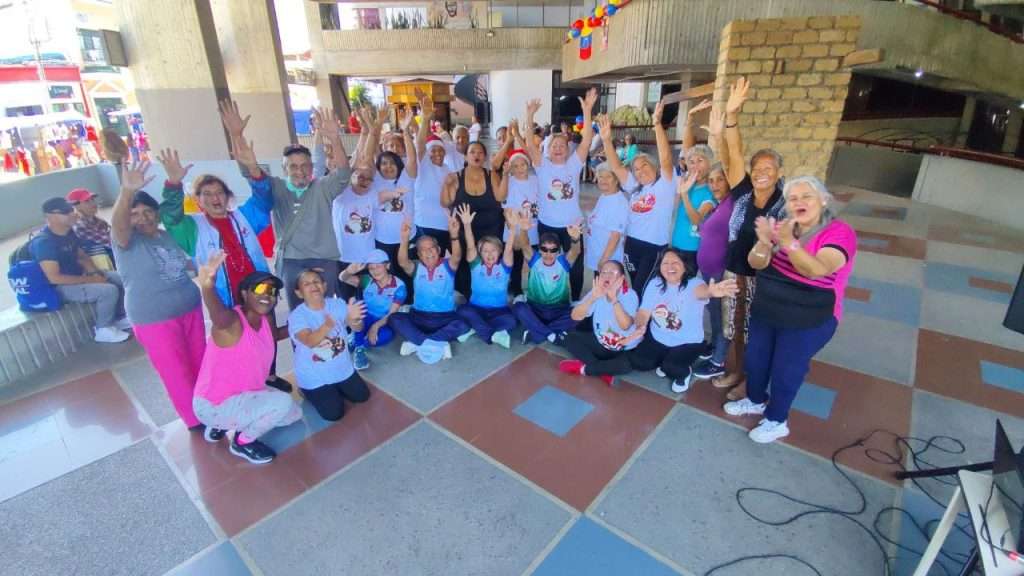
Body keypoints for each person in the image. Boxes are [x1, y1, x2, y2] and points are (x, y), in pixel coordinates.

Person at [723, 177, 857, 444]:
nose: (799, 202)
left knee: (786, 370)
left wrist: (788, 243)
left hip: (810, 317)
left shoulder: (839, 232)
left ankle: (776, 420)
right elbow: (756, 263)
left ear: (824, 200)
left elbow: (816, 270)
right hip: (768, 310)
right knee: (757, 359)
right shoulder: (783, 227)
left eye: (806, 196)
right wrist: (764, 242)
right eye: (793, 198)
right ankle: (755, 400)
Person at [219, 101, 354, 309]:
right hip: (292, 261)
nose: (300, 171)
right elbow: (253, 175)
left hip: (324, 259)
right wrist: (237, 136)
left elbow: (344, 174)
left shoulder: (322, 187)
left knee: (326, 309)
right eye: (293, 166)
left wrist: (335, 139)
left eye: (305, 166)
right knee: (298, 312)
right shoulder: (276, 186)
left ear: (312, 167)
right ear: (284, 169)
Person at [111, 160, 205, 430]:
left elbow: (186, 263)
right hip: (155, 319)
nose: (143, 218)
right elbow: (119, 226)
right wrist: (126, 192)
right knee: (176, 371)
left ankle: (210, 408)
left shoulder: (166, 236)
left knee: (201, 362)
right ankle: (195, 421)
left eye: (148, 211)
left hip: (190, 310)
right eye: (134, 214)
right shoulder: (125, 242)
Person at [192, 254, 302, 464]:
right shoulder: (233, 322)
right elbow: (219, 318)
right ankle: (242, 442)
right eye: (260, 289)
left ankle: (223, 425)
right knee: (282, 403)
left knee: (293, 414)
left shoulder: (264, 320)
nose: (267, 295)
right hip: (215, 404)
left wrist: (309, 321)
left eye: (272, 291)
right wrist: (207, 287)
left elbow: (276, 335)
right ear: (245, 293)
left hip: (244, 394)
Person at [719, 77, 786, 402]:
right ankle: (736, 371)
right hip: (735, 271)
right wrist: (731, 116)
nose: (761, 172)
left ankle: (752, 380)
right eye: (757, 167)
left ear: (779, 173)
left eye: (769, 168)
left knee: (757, 331)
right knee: (734, 329)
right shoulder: (743, 192)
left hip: (767, 278)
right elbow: (735, 152)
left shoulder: (784, 202)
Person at [627, 248, 738, 394]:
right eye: (665, 263)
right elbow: (643, 312)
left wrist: (711, 292)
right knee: (640, 362)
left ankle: (684, 373)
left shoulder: (694, 284)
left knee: (672, 368)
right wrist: (640, 326)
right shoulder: (655, 283)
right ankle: (665, 358)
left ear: (685, 266)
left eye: (675, 263)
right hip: (658, 337)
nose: (670, 267)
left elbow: (703, 291)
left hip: (687, 342)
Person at [525, 87, 598, 300]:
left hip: (572, 225)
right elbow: (530, 143)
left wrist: (587, 111)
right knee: (544, 262)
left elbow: (586, 140)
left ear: (568, 149)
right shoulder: (542, 165)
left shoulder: (574, 164)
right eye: (554, 146)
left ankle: (575, 299)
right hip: (547, 224)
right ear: (547, 150)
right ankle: (542, 294)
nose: (557, 148)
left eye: (562, 146)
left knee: (575, 264)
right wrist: (530, 115)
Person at [599, 101, 677, 290]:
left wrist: (657, 125)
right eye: (636, 169)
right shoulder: (635, 188)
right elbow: (616, 166)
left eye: (645, 165)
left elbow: (666, 158)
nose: (641, 171)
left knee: (643, 288)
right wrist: (606, 140)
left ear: (654, 167)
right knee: (634, 286)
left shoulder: (665, 184)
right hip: (632, 244)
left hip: (653, 246)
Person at [31, 197, 130, 343]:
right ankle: (103, 329)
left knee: (122, 278)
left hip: (80, 277)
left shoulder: (68, 233)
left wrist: (94, 273)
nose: (73, 213)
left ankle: (119, 318)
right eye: (66, 211)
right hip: (59, 287)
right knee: (108, 290)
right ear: (49, 216)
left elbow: (82, 256)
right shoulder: (44, 242)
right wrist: (91, 280)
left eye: (71, 209)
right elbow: (54, 278)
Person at [692, 109, 743, 381]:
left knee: (724, 317)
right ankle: (714, 348)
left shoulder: (734, 201)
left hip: (723, 273)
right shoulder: (718, 206)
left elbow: (733, 161)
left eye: (719, 179)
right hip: (709, 272)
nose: (714, 184)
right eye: (711, 181)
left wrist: (719, 135)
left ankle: (719, 361)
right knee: (713, 313)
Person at [288, 268, 371, 421]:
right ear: (299, 293)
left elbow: (357, 328)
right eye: (306, 284)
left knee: (363, 396)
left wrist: (355, 320)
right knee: (334, 414)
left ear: (325, 286)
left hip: (342, 369)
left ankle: (334, 390)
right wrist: (329, 324)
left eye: (316, 281)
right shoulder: (297, 316)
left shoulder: (337, 303)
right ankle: (306, 391)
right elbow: (310, 341)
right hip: (314, 377)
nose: (313, 285)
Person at [389, 215, 469, 361]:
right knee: (395, 319)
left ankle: (417, 342)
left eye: (432, 248)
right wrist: (404, 239)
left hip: (445, 317)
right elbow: (402, 262)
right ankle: (438, 342)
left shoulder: (448, 265)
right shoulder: (416, 267)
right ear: (419, 255)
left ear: (438, 250)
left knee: (464, 324)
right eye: (423, 250)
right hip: (419, 316)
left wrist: (454, 235)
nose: (429, 252)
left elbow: (457, 256)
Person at [559, 260, 639, 387]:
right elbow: (575, 316)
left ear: (621, 278)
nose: (607, 275)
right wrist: (593, 298)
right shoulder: (597, 292)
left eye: (612, 272)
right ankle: (602, 371)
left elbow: (625, 325)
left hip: (622, 349)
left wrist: (614, 299)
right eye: (604, 272)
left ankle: (585, 369)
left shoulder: (630, 295)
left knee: (626, 365)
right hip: (601, 344)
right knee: (569, 338)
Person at [443, 140, 506, 298]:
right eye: (472, 152)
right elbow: (445, 202)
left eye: (480, 152)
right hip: (465, 231)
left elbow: (501, 196)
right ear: (465, 156)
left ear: (485, 157)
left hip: (491, 230)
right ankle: (466, 296)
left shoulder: (491, 175)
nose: (476, 155)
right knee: (465, 265)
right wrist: (446, 185)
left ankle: (491, 294)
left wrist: (505, 175)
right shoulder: (456, 177)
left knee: (491, 263)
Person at [454, 206, 518, 348]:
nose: (489, 254)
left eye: (493, 250)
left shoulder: (504, 266)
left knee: (511, 321)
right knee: (462, 311)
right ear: (480, 253)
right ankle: (492, 334)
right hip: (476, 309)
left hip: (499, 311)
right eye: (485, 251)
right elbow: (470, 246)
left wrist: (513, 228)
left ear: (499, 251)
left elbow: (509, 248)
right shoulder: (476, 265)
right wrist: (466, 225)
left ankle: (476, 327)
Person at [513, 226, 581, 345]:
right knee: (519, 308)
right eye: (544, 249)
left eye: (553, 250)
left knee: (579, 313)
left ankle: (536, 332)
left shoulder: (563, 262)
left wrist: (575, 239)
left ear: (558, 251)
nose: (548, 254)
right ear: (539, 250)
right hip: (535, 308)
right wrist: (523, 229)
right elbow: (525, 244)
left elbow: (575, 251)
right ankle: (551, 334)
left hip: (559, 309)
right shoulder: (534, 260)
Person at [373, 110, 418, 292]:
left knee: (408, 277)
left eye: (392, 163)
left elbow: (412, 158)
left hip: (407, 237)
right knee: (386, 279)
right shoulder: (375, 179)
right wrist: (377, 125)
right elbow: (372, 152)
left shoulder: (407, 177)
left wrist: (405, 131)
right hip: (382, 240)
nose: (388, 166)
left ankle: (410, 303)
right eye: (384, 163)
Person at [493, 128, 538, 297]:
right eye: (516, 166)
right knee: (515, 263)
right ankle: (516, 291)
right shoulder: (509, 181)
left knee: (533, 260)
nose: (520, 168)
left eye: (523, 164)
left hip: (532, 228)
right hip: (513, 228)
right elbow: (505, 206)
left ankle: (535, 290)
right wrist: (516, 233)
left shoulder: (535, 180)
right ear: (511, 168)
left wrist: (519, 136)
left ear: (528, 165)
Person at [344, 249, 406, 370]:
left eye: (378, 266)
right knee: (357, 306)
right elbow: (343, 278)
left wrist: (375, 327)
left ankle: (357, 341)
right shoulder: (367, 280)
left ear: (387, 265)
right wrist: (348, 271)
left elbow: (391, 314)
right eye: (371, 268)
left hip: (384, 320)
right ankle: (359, 349)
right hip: (365, 316)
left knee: (387, 336)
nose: (375, 271)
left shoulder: (399, 286)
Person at [413, 90, 454, 255]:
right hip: (425, 223)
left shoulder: (448, 169)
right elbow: (420, 144)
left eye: (440, 150)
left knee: (442, 260)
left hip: (445, 224)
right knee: (427, 259)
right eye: (433, 150)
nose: (437, 153)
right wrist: (425, 118)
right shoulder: (423, 165)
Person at [671, 148, 716, 272]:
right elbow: (673, 208)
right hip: (675, 244)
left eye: (700, 161)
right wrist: (680, 189)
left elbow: (696, 220)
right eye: (691, 162)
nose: (695, 166)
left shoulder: (710, 190)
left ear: (709, 164)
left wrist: (684, 194)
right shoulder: (688, 185)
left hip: (692, 249)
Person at [583, 157, 628, 276]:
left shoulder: (619, 203)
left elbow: (615, 236)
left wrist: (604, 260)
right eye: (601, 177)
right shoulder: (605, 196)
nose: (603, 180)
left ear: (616, 180)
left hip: (608, 263)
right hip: (598, 257)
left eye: (608, 177)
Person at [66, 187, 113, 267]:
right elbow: (109, 242)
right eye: (87, 201)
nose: (93, 203)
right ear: (77, 207)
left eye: (92, 200)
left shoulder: (97, 221)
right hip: (98, 265)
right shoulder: (79, 226)